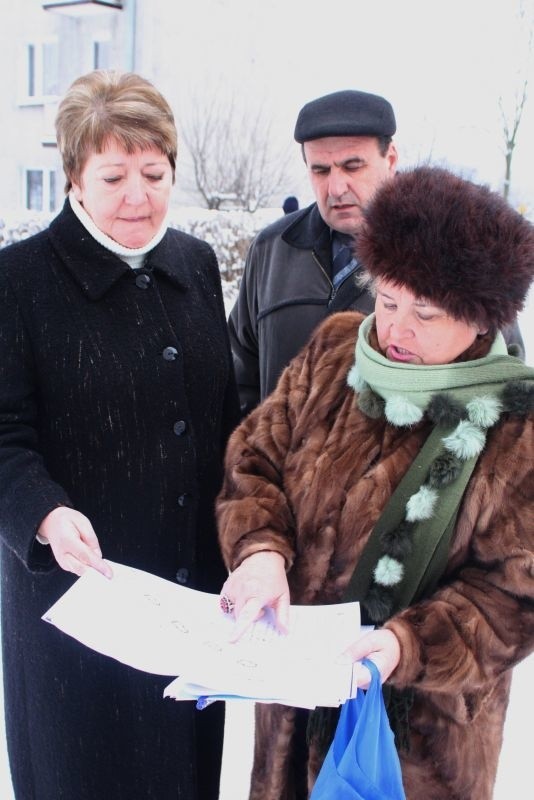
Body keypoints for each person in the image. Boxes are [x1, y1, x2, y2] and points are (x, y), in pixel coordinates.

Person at [217, 166, 534, 800]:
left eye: (425, 313)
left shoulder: (513, 426)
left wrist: (403, 646)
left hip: (421, 744)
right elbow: (254, 462)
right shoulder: (334, 355)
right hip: (292, 707)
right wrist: (261, 553)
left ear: (479, 320)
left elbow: (512, 597)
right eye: (387, 300)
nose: (395, 331)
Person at [0, 70, 239, 800]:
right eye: (113, 175)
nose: (138, 195)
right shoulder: (20, 279)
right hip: (80, 604)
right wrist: (41, 510)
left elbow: (221, 419)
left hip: (191, 597)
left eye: (154, 173)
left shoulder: (195, 266)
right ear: (74, 176)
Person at [229, 90, 525, 417]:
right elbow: (240, 368)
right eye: (321, 170)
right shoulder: (272, 248)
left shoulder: (453, 245)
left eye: (352, 166)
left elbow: (502, 376)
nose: (337, 187)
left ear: (391, 159)